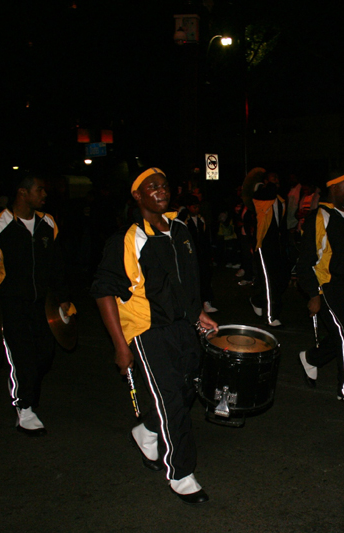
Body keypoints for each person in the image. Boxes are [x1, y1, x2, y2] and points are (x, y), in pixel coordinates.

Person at [92, 168, 217, 504]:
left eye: (164, 184)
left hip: (182, 326)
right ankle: (180, 472)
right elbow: (103, 292)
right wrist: (121, 346)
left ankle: (147, 430)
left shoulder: (180, 229)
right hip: (147, 331)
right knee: (171, 402)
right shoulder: (126, 239)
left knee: (189, 388)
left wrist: (198, 313)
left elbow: (188, 281)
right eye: (152, 187)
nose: (161, 190)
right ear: (138, 196)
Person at [0, 173, 71, 436]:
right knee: (23, 357)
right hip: (12, 303)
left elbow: (57, 264)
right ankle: (25, 408)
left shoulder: (48, 223)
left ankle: (28, 388)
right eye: (40, 190)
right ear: (22, 193)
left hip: (42, 304)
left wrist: (63, 297)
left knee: (45, 354)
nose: (44, 195)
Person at [295, 170, 344, 404]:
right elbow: (306, 259)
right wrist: (314, 293)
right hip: (328, 285)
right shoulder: (320, 216)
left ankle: (312, 358)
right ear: (334, 188)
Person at [250, 172, 288, 327]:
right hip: (264, 244)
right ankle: (271, 316)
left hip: (277, 245)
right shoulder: (261, 196)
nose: (276, 181)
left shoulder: (279, 200)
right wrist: (269, 185)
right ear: (265, 182)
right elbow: (267, 193)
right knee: (269, 280)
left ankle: (257, 299)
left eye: (277, 178)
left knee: (279, 278)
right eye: (273, 178)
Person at [178, 194, 218, 313]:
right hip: (189, 256)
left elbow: (206, 238)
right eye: (193, 207)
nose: (196, 209)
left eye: (197, 207)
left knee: (205, 278)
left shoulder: (201, 219)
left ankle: (206, 301)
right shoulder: (184, 221)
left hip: (202, 255)